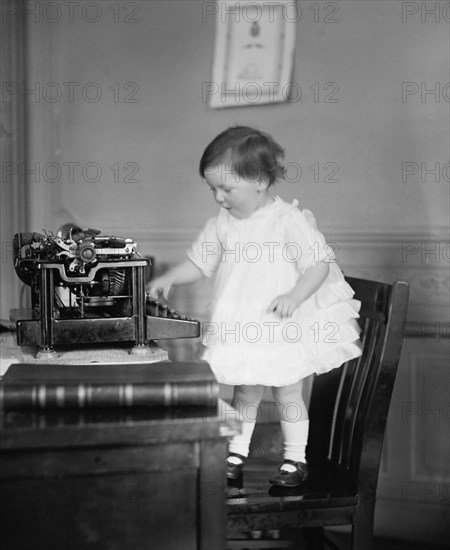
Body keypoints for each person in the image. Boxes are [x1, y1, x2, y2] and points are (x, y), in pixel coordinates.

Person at [147, 126, 362, 487]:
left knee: (288, 392)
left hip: (281, 323)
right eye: (212, 189)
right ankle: (236, 452)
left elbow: (319, 264)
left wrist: (295, 296)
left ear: (260, 180)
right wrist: (170, 278)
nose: (218, 197)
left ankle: (295, 459)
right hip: (241, 322)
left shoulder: (286, 221)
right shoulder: (222, 224)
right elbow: (200, 264)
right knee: (244, 391)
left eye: (227, 189)